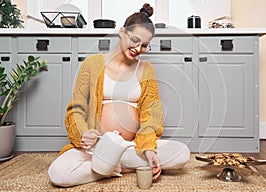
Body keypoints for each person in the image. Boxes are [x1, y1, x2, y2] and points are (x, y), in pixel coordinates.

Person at [48, 3, 190, 187]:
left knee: (182, 154)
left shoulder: (146, 69)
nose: (138, 48)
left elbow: (151, 114)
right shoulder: (92, 64)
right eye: (135, 39)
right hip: (96, 146)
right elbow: (77, 108)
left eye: (145, 45)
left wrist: (147, 149)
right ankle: (119, 165)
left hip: (132, 146)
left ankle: (107, 166)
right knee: (58, 174)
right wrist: (83, 133)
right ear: (122, 31)